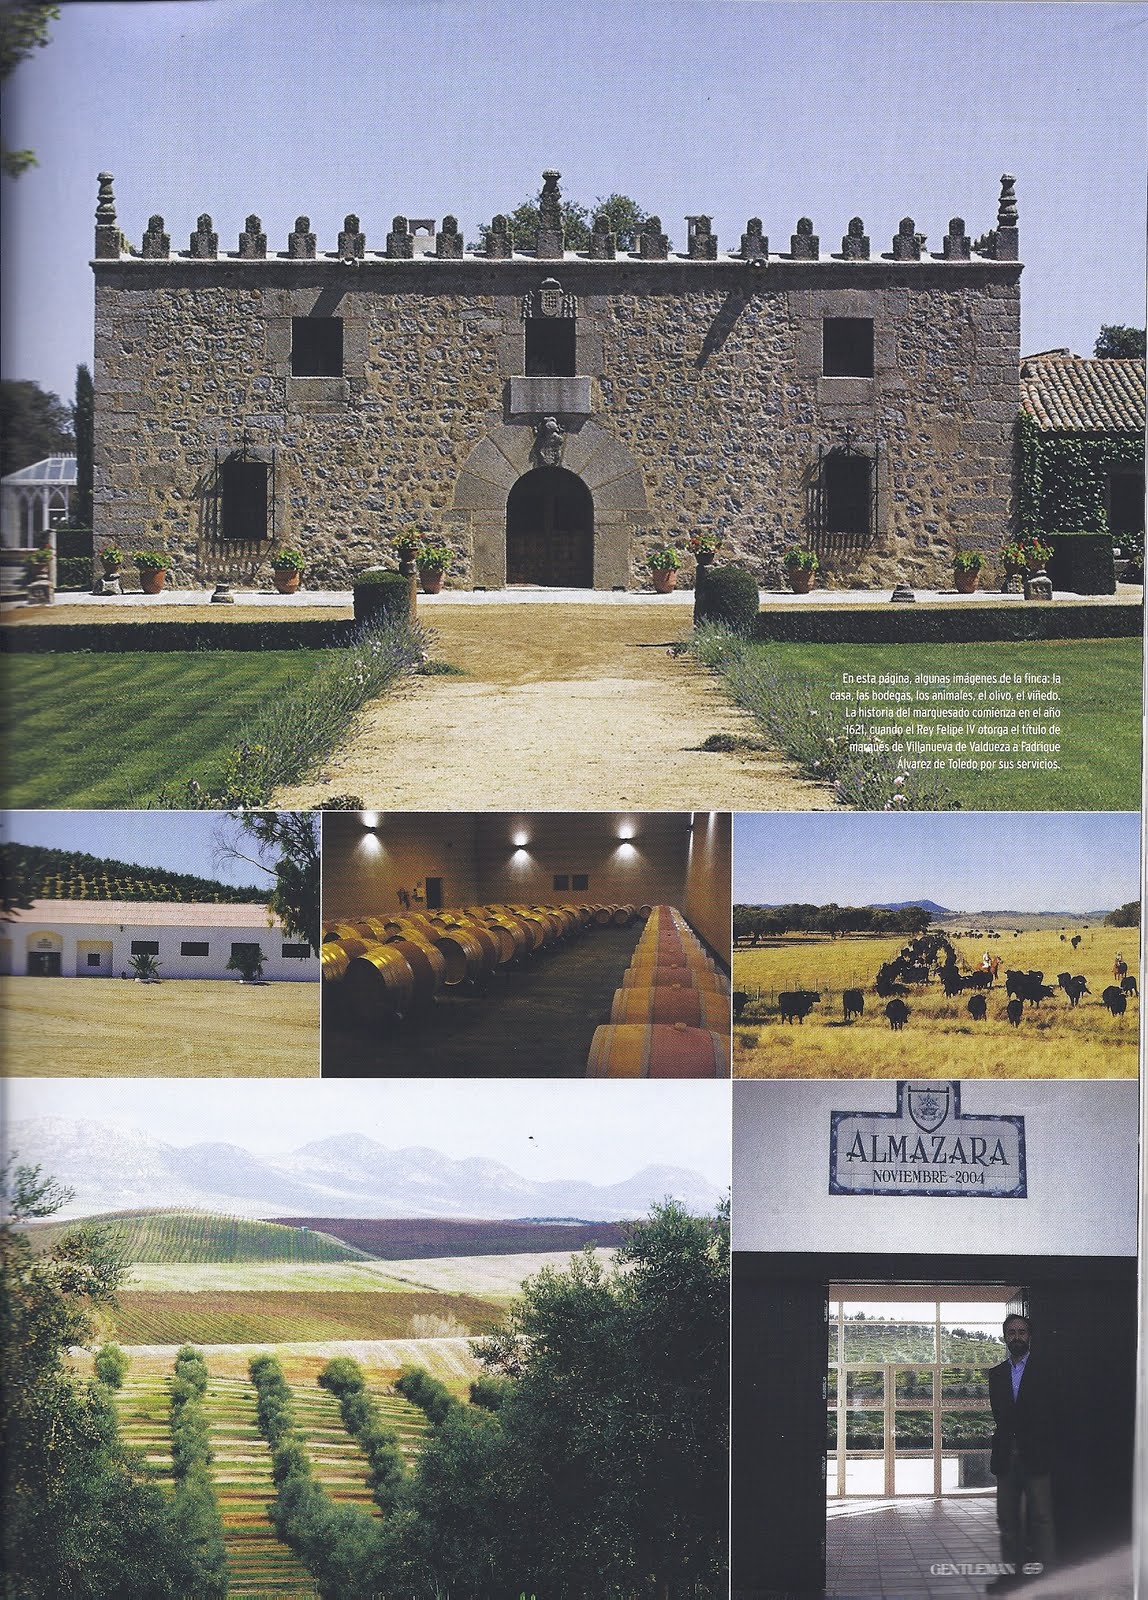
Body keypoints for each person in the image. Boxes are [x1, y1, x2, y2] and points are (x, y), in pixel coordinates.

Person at [986, 1313, 1055, 1591]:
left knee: (1041, 1517)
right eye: (1012, 1332)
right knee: (1007, 1519)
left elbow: (1052, 1413)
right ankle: (1011, 1576)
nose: (1017, 1336)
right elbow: (1000, 1415)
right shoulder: (997, 1374)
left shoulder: (1045, 1371)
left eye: (1022, 1332)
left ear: (1030, 1336)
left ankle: (1047, 1577)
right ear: (1005, 1337)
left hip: (1036, 1454)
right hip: (1006, 1457)